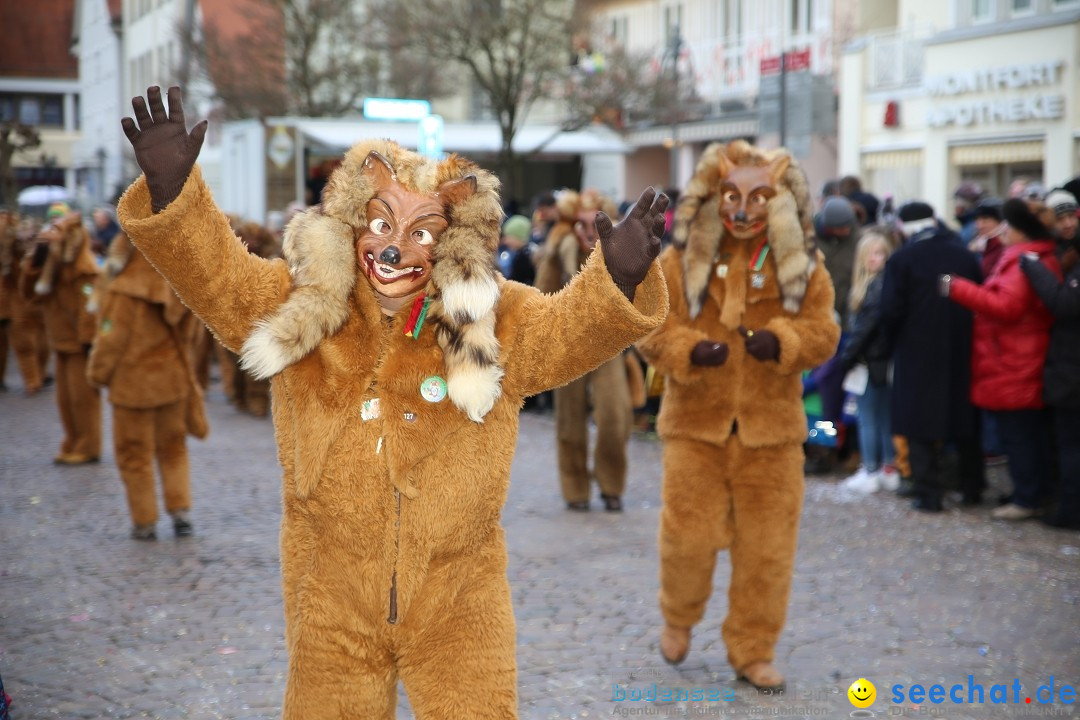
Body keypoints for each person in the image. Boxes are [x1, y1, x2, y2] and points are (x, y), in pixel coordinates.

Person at [118, 86, 668, 719]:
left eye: (422, 233)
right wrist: (174, 200)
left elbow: (566, 333)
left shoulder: (491, 319)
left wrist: (616, 280)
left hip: (459, 594)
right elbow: (216, 276)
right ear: (351, 226)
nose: (393, 248)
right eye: (381, 225)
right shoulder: (299, 306)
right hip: (330, 593)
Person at [638, 140, 840, 690]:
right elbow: (651, 325)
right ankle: (678, 616)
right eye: (730, 195)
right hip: (695, 427)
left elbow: (825, 331)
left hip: (771, 433)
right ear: (711, 195)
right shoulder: (678, 263)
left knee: (767, 550)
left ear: (781, 200)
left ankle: (753, 649)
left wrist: (784, 342)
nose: (743, 209)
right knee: (688, 538)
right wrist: (688, 350)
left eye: (758, 196)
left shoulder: (803, 266)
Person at [943, 199, 1060, 520]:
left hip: (1015, 360)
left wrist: (958, 288)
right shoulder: (1029, 256)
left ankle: (1028, 498)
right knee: (1022, 433)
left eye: (1007, 225)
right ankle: (1030, 492)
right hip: (1014, 357)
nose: (1002, 231)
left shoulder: (1025, 260)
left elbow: (1006, 306)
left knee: (1019, 435)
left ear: (1019, 230)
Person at [87, 234, 205, 539]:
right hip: (172, 381)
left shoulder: (122, 292)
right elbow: (190, 336)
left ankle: (145, 520)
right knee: (173, 449)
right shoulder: (178, 290)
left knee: (134, 454)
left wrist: (97, 374)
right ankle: (180, 511)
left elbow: (110, 338)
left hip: (132, 387)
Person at [535, 189, 635, 512]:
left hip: (608, 347)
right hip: (568, 348)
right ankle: (575, 488)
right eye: (582, 225)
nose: (589, 232)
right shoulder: (560, 252)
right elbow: (540, 300)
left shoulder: (619, 255)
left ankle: (611, 484)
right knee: (569, 422)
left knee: (615, 417)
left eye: (596, 224)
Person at [879, 201, 983, 511]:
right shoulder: (963, 255)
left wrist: (888, 345)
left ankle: (928, 493)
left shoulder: (902, 259)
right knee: (964, 417)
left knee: (919, 421)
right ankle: (972, 486)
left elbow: (890, 311)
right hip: (962, 345)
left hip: (917, 350)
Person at [20, 210, 102, 465]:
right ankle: (72, 440)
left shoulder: (84, 267)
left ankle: (88, 445)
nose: (49, 233)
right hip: (61, 342)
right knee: (65, 400)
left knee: (82, 400)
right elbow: (29, 293)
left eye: (56, 229)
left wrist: (88, 342)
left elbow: (90, 307)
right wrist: (37, 259)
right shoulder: (52, 266)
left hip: (79, 345)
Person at [1020, 225, 1080, 530]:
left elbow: (1064, 304)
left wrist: (1033, 268)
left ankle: (1070, 510)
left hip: (1072, 371)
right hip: (1069, 369)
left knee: (1071, 444)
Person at [838, 229, 897, 493]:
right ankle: (887, 467)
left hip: (870, 361)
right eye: (872, 253)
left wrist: (846, 357)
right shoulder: (887, 284)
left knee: (868, 417)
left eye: (880, 253)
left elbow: (864, 329)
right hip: (882, 360)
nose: (877, 258)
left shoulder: (874, 287)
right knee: (883, 416)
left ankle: (871, 469)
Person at [497, 214, 536, 285]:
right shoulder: (522, 253)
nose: (506, 241)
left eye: (508, 237)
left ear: (518, 237)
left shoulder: (527, 256)